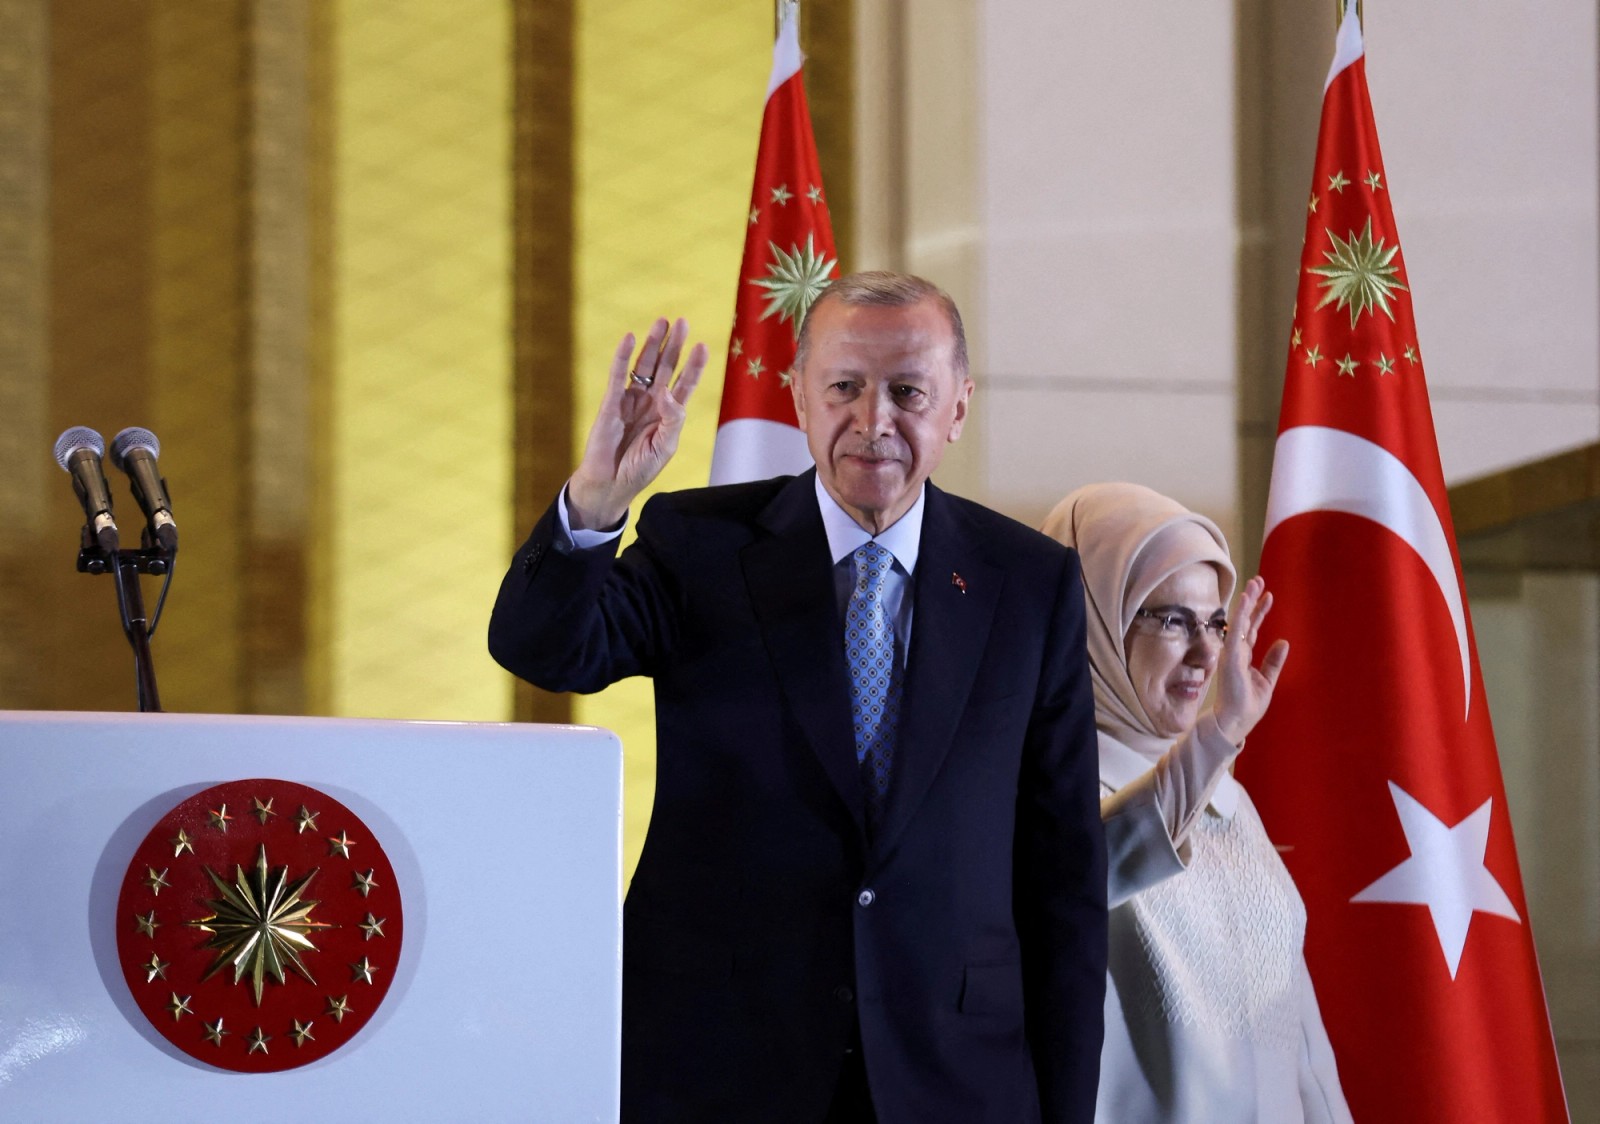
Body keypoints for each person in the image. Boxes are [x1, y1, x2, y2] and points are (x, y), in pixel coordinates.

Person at [489, 272, 1106, 1123]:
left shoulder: (1030, 584)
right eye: (845, 387)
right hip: (726, 1068)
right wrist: (596, 500)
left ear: (958, 407)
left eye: (908, 392)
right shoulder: (699, 546)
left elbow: (1063, 877)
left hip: (952, 1076)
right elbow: (542, 648)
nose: (873, 420)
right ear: (799, 397)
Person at [1041, 483, 1352, 1123]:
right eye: (1173, 620)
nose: (1208, 654)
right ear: (1093, 622)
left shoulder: (1230, 802)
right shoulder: (1038, 790)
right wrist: (1219, 736)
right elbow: (1087, 869)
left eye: (1216, 623)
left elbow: (1303, 1050)